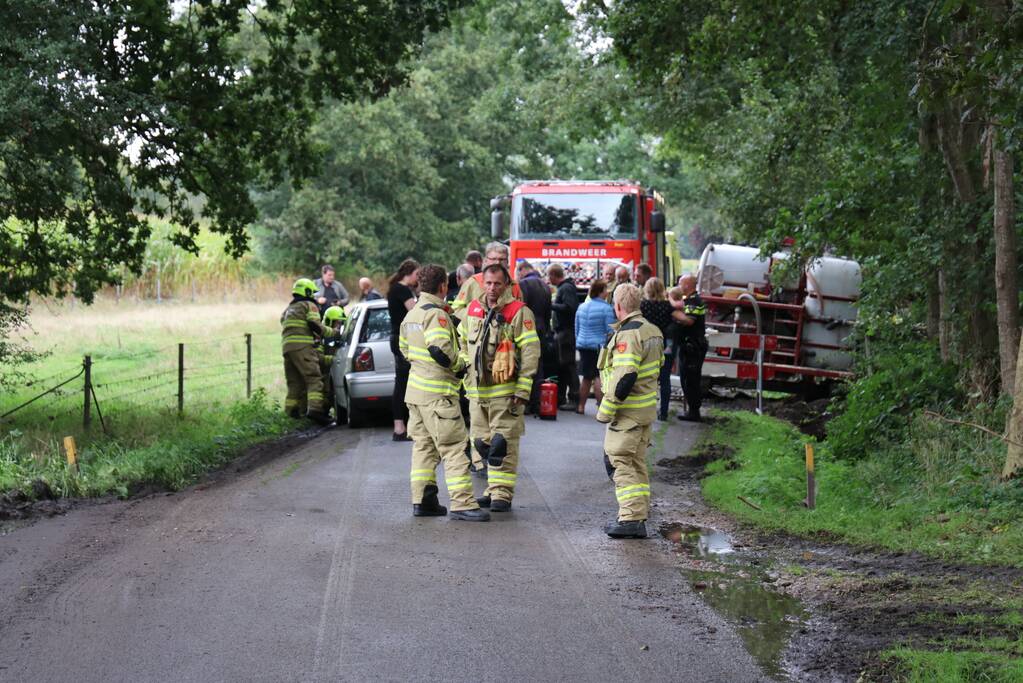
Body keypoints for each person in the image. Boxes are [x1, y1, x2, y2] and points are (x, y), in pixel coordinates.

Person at [398, 264, 489, 522]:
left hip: (415, 396)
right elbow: (440, 350)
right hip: (438, 396)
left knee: (424, 448)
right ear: (443, 286)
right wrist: (461, 365)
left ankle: (424, 501)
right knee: (454, 448)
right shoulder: (435, 314)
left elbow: (405, 351)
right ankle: (463, 504)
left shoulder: (412, 314)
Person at [458, 263, 539, 512]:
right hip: (477, 393)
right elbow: (462, 341)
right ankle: (492, 489)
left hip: (506, 393)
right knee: (482, 444)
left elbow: (530, 353)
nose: (492, 288)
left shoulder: (519, 312)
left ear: (507, 285)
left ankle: (502, 494)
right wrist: (465, 371)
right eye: (488, 283)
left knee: (502, 443)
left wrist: (523, 390)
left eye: (497, 284)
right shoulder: (473, 309)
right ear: (483, 284)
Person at [596, 283, 663, 539]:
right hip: (645, 410)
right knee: (636, 462)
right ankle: (638, 513)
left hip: (627, 412)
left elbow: (624, 377)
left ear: (617, 306)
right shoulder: (652, 330)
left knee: (619, 461)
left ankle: (631, 519)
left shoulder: (628, 334)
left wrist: (605, 411)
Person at [281, 278, 333, 424]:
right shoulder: (309, 305)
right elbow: (314, 324)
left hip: (287, 348)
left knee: (294, 382)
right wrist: (333, 333)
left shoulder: (289, 308)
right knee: (314, 378)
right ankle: (315, 411)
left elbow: (282, 321)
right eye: (312, 293)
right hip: (302, 347)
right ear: (307, 292)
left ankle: (291, 414)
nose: (314, 296)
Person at [388, 259, 420, 441]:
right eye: (417, 274)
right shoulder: (401, 290)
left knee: (402, 381)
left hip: (398, 338)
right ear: (409, 273)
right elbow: (415, 312)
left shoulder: (396, 289)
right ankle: (400, 427)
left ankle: (401, 426)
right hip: (402, 339)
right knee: (403, 382)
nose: (418, 278)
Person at [574, 280, 616, 415]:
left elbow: (577, 328)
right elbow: (610, 331)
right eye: (605, 290)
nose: (607, 292)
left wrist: (579, 341)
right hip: (599, 346)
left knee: (586, 377)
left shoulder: (582, 307)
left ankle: (581, 406)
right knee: (599, 376)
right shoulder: (606, 309)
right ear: (600, 292)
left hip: (583, 345)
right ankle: (601, 409)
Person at [515, 260, 552, 413]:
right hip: (542, 328)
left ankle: (527, 401)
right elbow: (549, 311)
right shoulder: (545, 285)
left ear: (522, 270)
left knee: (526, 363)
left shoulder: (524, 284)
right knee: (539, 363)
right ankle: (538, 402)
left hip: (528, 327)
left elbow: (521, 307)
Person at [640, 278, 677, 421]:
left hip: (647, 345)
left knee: (646, 379)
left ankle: (646, 410)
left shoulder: (643, 305)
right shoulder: (667, 306)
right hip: (664, 345)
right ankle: (664, 412)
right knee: (665, 379)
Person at [672, 274, 708, 422]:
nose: (678, 286)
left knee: (691, 379)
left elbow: (689, 321)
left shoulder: (694, 301)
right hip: (689, 345)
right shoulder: (688, 300)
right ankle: (692, 410)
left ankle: (694, 411)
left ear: (687, 285)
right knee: (686, 378)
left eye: (680, 283)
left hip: (693, 346)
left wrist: (672, 312)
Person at [451, 242, 521, 316]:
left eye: (501, 259)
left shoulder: (514, 285)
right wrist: (475, 315)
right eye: (493, 259)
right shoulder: (473, 282)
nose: (497, 262)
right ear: (486, 260)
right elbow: (456, 310)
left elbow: (520, 313)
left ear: (507, 261)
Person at [548, 263, 580, 408]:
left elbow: (570, 307)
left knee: (569, 366)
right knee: (564, 366)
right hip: (563, 332)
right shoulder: (564, 287)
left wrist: (550, 305)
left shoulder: (566, 288)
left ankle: (574, 398)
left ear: (554, 275)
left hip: (566, 332)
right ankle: (563, 398)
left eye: (549, 276)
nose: (548, 279)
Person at [320, 305, 347, 417]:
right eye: (337, 322)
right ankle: (322, 413)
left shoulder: (340, 336)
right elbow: (318, 358)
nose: (339, 326)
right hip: (324, 371)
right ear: (329, 322)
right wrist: (332, 359)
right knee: (325, 393)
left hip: (335, 370)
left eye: (341, 323)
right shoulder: (320, 336)